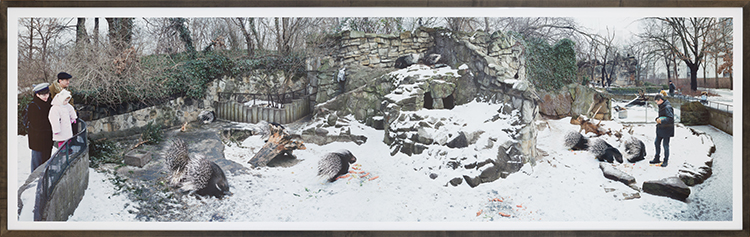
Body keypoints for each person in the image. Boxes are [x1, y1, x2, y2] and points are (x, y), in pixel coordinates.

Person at [27, 83, 54, 171]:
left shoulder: (50, 102)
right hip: (37, 141)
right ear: (37, 94)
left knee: (46, 163)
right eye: (43, 95)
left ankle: (44, 182)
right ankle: (34, 182)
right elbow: (36, 125)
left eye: (47, 93)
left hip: (48, 139)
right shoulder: (33, 106)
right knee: (37, 165)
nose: (46, 96)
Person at [649, 94, 674, 167]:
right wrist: (657, 119)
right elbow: (663, 116)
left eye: (656, 101)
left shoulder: (667, 107)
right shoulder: (662, 106)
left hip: (667, 129)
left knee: (665, 145)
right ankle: (657, 158)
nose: (656, 103)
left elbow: (670, 118)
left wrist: (661, 121)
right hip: (661, 128)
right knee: (657, 143)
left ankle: (665, 160)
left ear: (660, 100)